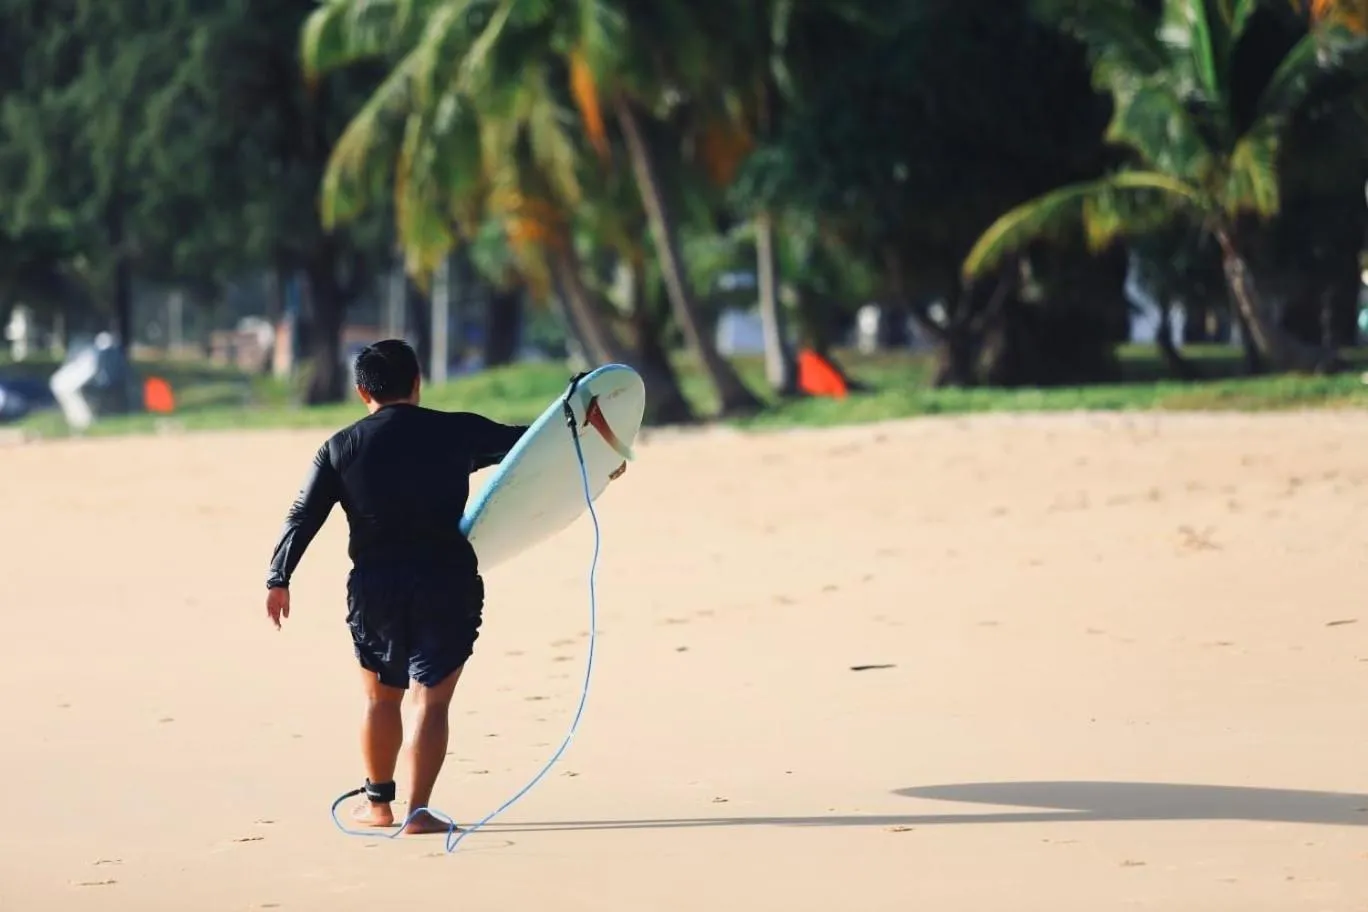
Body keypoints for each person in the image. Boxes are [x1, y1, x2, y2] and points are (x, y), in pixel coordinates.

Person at [263, 339, 623, 835]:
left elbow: (303, 515)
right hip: (445, 579)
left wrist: (278, 578)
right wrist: (601, 446)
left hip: (377, 587)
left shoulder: (340, 447)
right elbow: (534, 448)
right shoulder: (455, 430)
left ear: (360, 390)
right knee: (430, 702)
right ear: (417, 382)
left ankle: (379, 804)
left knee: (381, 699)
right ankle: (418, 812)